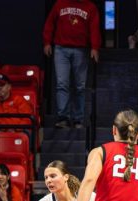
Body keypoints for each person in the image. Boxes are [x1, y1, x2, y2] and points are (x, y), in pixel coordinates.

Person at [43, 0, 101, 128]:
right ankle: (63, 117)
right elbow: (49, 24)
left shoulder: (90, 7)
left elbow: (94, 28)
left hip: (81, 49)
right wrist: (47, 42)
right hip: (61, 49)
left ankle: (78, 119)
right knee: (62, 84)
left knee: (79, 86)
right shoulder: (60, 3)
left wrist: (95, 47)